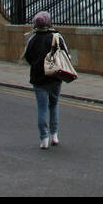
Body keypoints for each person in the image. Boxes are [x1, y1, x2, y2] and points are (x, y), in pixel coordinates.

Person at [24, 11, 68, 149]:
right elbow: (65, 54)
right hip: (55, 77)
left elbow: (27, 56)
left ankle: (44, 138)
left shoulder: (33, 38)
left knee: (42, 108)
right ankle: (54, 135)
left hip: (38, 77)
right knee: (54, 105)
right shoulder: (56, 36)